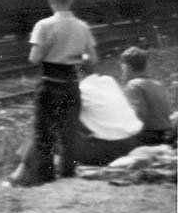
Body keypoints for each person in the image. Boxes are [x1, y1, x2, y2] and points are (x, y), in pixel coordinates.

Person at [9, 0, 98, 186]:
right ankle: (68, 174)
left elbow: (34, 58)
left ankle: (47, 177)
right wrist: (76, 56)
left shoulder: (43, 25)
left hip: (49, 82)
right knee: (69, 133)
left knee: (44, 132)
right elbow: (92, 59)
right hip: (71, 82)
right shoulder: (82, 27)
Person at [9, 73, 143, 184]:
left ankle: (19, 175)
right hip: (131, 143)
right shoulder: (109, 81)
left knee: (44, 131)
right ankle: (31, 171)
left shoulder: (80, 90)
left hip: (109, 151)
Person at [120, 46, 176, 146]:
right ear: (146, 66)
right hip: (168, 133)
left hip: (151, 137)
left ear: (127, 67)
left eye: (122, 67)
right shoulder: (157, 84)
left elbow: (139, 116)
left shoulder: (133, 86)